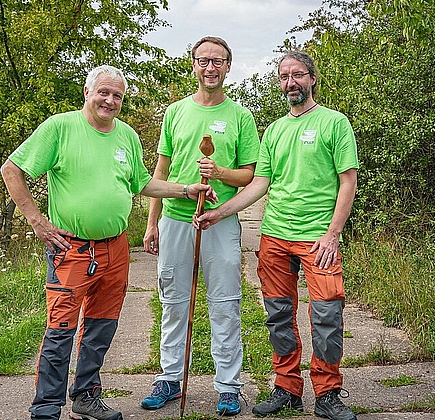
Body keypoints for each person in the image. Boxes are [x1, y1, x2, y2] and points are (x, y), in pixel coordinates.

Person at [0, 65, 216, 420]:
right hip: (70, 248)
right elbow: (13, 169)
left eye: (117, 95)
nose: (110, 100)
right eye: (103, 92)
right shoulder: (60, 127)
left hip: (115, 249)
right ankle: (46, 409)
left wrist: (185, 190)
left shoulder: (127, 136)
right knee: (60, 331)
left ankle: (86, 398)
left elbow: (142, 183)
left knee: (101, 327)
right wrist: (36, 221)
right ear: (87, 92)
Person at [196, 50, 359, 420]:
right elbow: (260, 184)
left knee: (327, 315)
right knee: (278, 315)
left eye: (298, 75)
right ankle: (287, 387)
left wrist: (333, 234)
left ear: (312, 78)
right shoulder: (274, 130)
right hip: (275, 236)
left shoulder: (335, 123)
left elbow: (347, 181)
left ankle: (329, 393)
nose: (291, 82)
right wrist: (217, 213)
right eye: (284, 76)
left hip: (319, 238)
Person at [140, 36, 260, 416]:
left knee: (225, 304)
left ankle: (228, 385)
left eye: (218, 61)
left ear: (228, 67)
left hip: (219, 221)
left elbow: (250, 176)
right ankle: (170, 378)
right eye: (204, 60)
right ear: (193, 64)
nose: (211, 67)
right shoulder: (175, 112)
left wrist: (219, 171)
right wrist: (152, 222)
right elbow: (160, 172)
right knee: (174, 303)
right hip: (177, 219)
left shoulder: (241, 116)